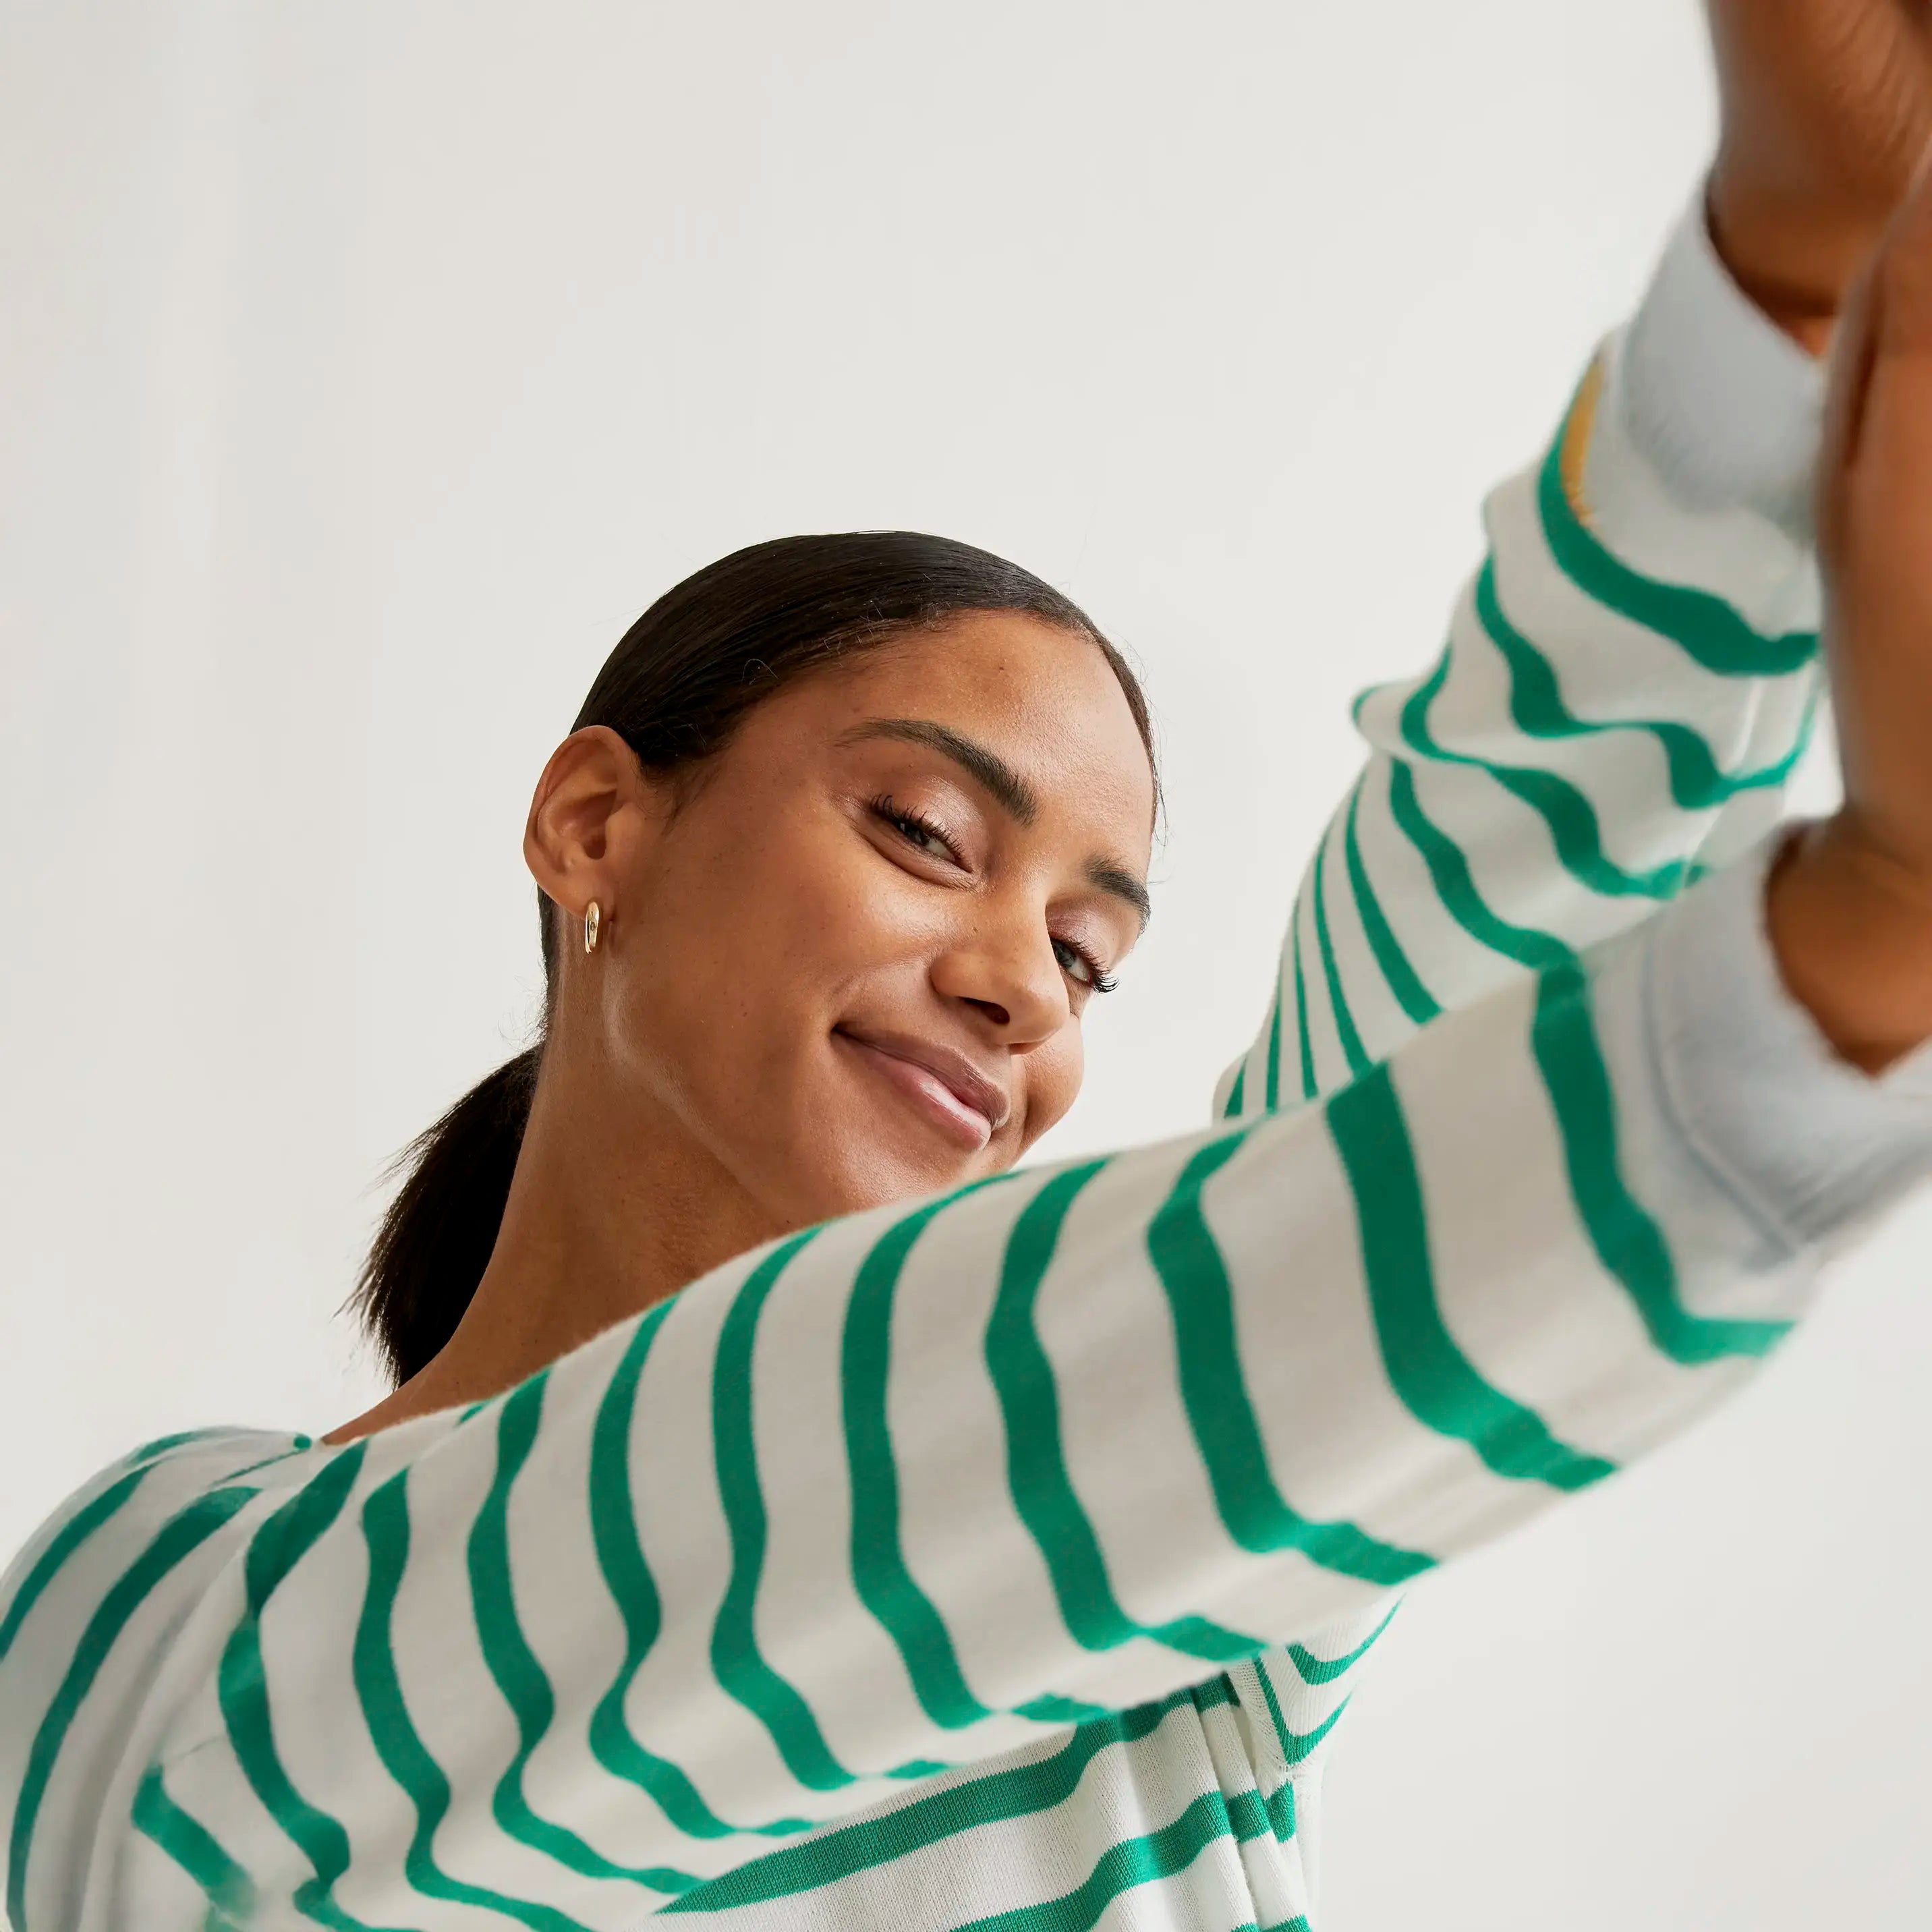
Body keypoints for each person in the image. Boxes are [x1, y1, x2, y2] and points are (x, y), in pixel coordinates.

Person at [8, 3, 1932, 1927]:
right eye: (926, 834)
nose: (1024, 987)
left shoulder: (1172, 1624)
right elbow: (951, 1439)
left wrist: (1786, 280)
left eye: (1091, 956)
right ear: (595, 825)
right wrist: (1859, 929)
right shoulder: (150, 1636)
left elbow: (1446, 1014)